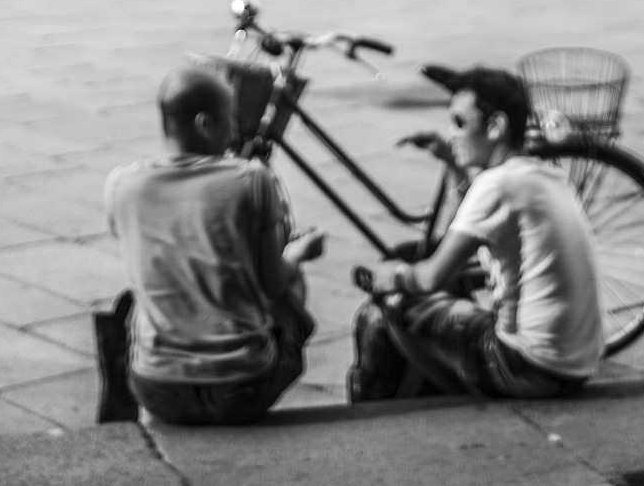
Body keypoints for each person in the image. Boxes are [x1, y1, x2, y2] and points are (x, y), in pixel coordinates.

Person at [349, 65, 602, 403]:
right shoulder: (544, 175)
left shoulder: (497, 184)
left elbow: (431, 278)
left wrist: (391, 276)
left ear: (495, 126)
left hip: (525, 367)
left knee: (393, 304)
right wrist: (454, 164)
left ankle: (422, 403)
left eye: (459, 123)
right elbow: (467, 225)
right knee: (441, 300)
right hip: (574, 367)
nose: (451, 133)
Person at [102, 63, 324, 426]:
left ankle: (140, 415)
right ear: (206, 124)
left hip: (157, 389)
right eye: (230, 119)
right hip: (243, 389)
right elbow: (273, 283)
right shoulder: (252, 179)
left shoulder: (120, 184)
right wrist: (299, 253)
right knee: (291, 280)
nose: (234, 130)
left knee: (138, 298)